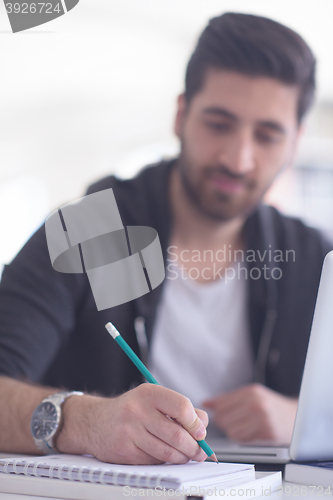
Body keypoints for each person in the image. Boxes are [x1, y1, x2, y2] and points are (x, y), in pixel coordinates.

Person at [0, 12, 331, 465]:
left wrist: (304, 418)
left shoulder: (312, 259)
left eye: (268, 135)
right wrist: (87, 421)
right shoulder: (92, 229)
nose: (238, 159)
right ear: (181, 115)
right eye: (218, 123)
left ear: (294, 143)